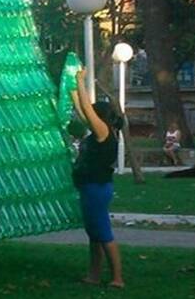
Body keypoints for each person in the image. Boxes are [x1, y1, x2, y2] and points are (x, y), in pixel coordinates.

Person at [69, 69, 124, 289]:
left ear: (100, 117)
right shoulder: (99, 131)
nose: (88, 116)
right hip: (91, 187)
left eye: (93, 114)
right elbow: (83, 111)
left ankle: (117, 278)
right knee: (94, 233)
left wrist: (80, 81)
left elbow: (86, 111)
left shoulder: (103, 132)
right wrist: (72, 89)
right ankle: (93, 275)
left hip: (96, 188)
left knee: (102, 232)